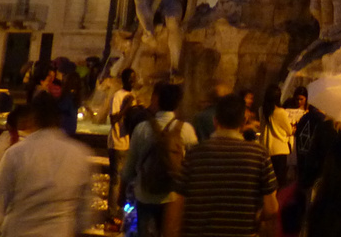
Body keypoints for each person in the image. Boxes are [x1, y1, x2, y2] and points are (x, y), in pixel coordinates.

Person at [0, 91, 93, 237]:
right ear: (59, 118)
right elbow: (85, 214)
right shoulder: (79, 154)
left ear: (33, 118)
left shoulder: (16, 154)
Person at [163, 91, 277, 237]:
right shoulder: (258, 155)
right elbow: (271, 209)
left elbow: (176, 206)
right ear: (243, 122)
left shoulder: (194, 155)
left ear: (215, 121)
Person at [121, 81, 198, 237]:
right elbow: (194, 164)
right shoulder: (186, 130)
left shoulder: (142, 128)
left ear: (157, 100)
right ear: (177, 103)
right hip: (172, 195)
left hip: (145, 193)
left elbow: (130, 166)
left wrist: (121, 193)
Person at [107, 68, 137, 216]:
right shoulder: (118, 96)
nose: (133, 81)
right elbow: (113, 119)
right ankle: (112, 214)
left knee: (126, 180)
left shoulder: (132, 95)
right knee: (116, 180)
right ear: (124, 80)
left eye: (134, 78)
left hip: (128, 144)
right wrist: (126, 107)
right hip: (117, 143)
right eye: (130, 78)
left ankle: (121, 212)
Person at [260, 84, 295, 188]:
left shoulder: (262, 110)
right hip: (280, 149)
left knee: (268, 180)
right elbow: (289, 131)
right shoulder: (281, 112)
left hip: (266, 148)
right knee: (280, 180)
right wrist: (293, 128)